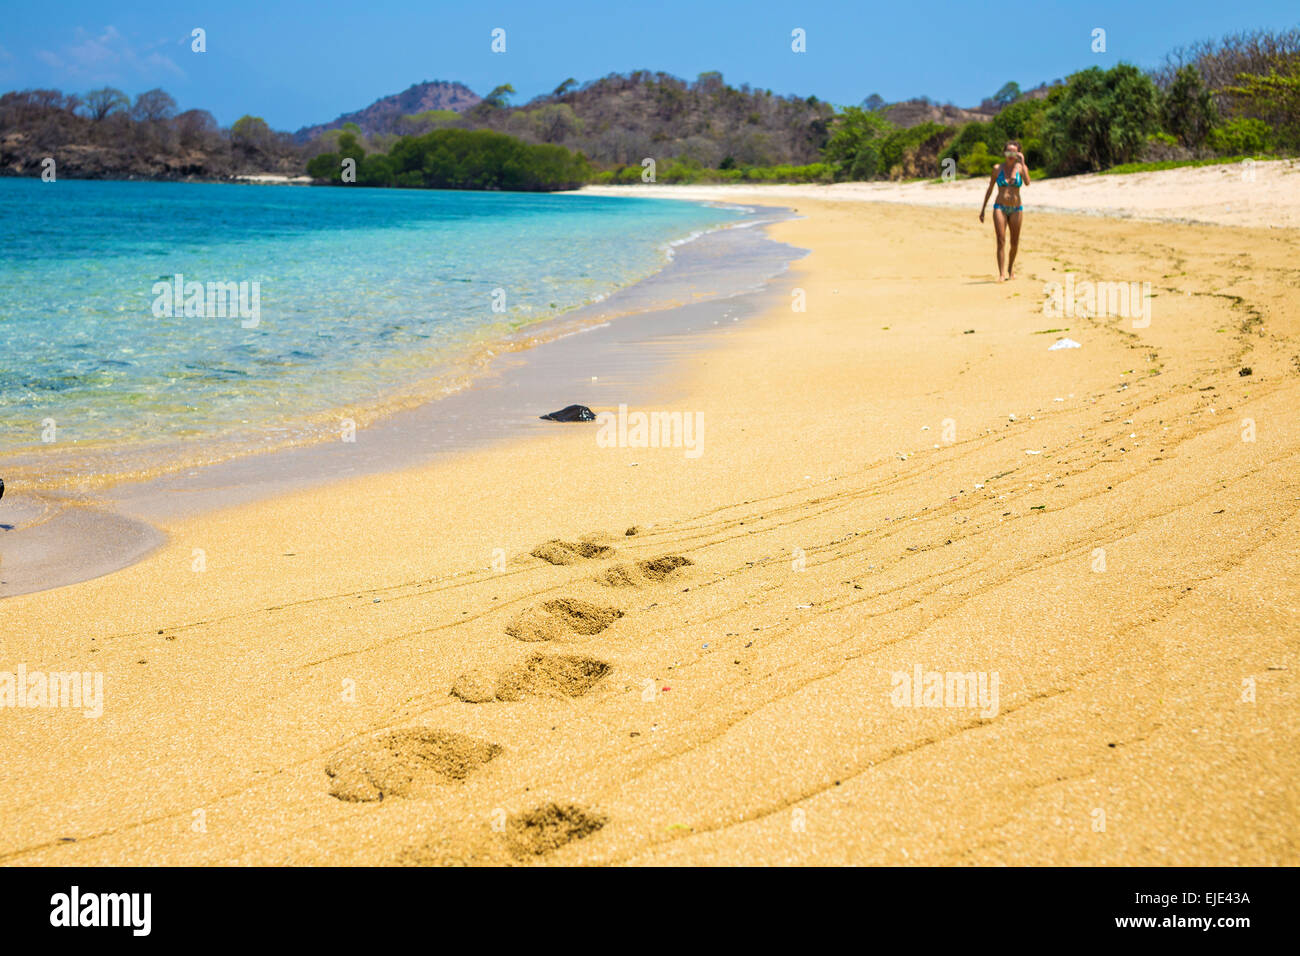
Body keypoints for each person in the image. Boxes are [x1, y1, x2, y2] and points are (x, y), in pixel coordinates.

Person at [979, 141, 1030, 281]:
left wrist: (1023, 162)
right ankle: (1001, 273)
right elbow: (989, 189)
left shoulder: (1021, 168)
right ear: (1004, 153)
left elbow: (1027, 182)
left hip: (1016, 209)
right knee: (1001, 240)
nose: (1011, 155)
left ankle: (1010, 268)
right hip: (999, 207)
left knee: (1014, 242)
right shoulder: (997, 168)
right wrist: (983, 209)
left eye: (1014, 152)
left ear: (1018, 153)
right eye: (1008, 152)